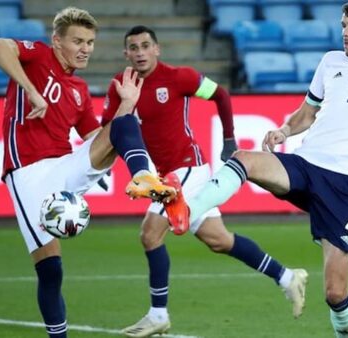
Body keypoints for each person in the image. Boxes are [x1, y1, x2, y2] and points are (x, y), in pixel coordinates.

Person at [163, 1, 348, 337]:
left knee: (335, 293)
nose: (345, 32)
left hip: (347, 186)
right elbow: (307, 113)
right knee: (244, 159)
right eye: (344, 24)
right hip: (307, 163)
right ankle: (186, 210)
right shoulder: (330, 62)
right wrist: (284, 131)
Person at [101, 26, 309, 338]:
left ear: (157, 49)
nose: (141, 52)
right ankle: (286, 276)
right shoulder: (121, 85)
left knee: (150, 234)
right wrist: (103, 166)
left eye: (146, 45)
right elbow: (110, 129)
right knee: (219, 240)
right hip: (163, 174)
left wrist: (229, 138)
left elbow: (220, 94)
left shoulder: (179, 77)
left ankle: (158, 315)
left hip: (187, 168)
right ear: (126, 53)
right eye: (134, 47)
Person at [0, 7, 177, 338]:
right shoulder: (38, 57)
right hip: (28, 174)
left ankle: (146, 179)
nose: (86, 48)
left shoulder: (78, 89)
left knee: (121, 123)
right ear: (57, 41)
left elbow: (96, 138)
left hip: (66, 168)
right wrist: (31, 91)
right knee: (51, 271)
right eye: (78, 41)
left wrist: (126, 104)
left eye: (90, 42)